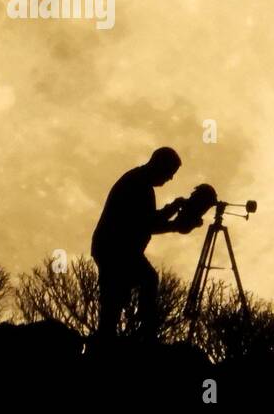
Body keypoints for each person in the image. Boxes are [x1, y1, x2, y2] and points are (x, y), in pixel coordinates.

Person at [90, 147, 213, 343]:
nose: (170, 179)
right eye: (170, 173)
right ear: (160, 166)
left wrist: (173, 214)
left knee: (117, 297)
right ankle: (142, 333)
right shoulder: (138, 185)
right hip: (115, 249)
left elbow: (147, 222)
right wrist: (174, 219)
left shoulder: (139, 182)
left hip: (115, 248)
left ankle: (118, 338)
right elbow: (147, 224)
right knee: (142, 282)